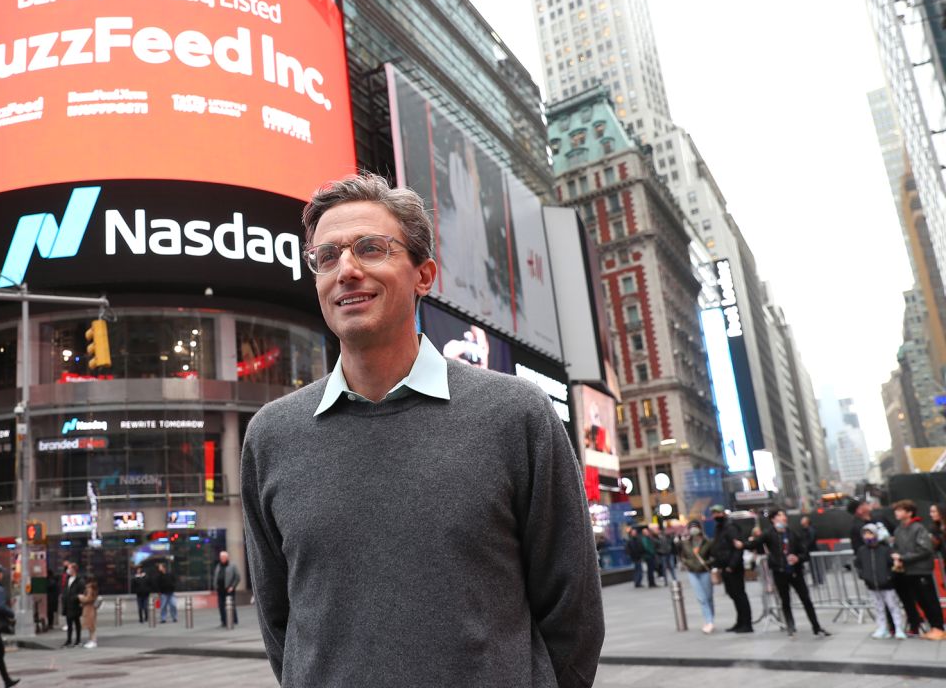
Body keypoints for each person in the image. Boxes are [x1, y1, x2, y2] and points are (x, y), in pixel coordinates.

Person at [241, 173, 604, 687]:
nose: (346, 270)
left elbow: (575, 611)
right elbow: (280, 623)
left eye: (371, 248)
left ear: (423, 275)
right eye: (327, 257)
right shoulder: (270, 436)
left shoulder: (516, 414)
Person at [749, 508, 830, 638]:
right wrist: (741, 544)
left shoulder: (793, 533)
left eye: (784, 515)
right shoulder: (768, 534)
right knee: (785, 600)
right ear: (773, 519)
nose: (783, 517)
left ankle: (816, 626)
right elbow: (754, 544)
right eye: (780, 515)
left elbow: (805, 553)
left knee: (806, 599)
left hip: (795, 572)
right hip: (779, 572)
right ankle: (790, 626)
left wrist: (798, 558)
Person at [890, 499, 946, 640]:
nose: (896, 513)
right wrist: (896, 556)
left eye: (900, 510)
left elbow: (925, 549)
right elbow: (896, 547)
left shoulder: (918, 528)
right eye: (896, 510)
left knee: (929, 599)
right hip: (908, 570)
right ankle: (931, 627)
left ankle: (938, 627)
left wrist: (903, 557)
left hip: (921, 569)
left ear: (909, 512)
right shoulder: (898, 529)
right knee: (920, 601)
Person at [856, 523, 907, 639]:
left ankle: (898, 628)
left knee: (893, 606)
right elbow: (858, 565)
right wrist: (864, 576)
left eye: (870, 533)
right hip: (872, 584)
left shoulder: (885, 550)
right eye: (865, 534)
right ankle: (882, 628)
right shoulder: (862, 551)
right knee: (878, 607)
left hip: (887, 584)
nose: (867, 536)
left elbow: (893, 565)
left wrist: (889, 576)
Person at [709, 505, 752, 633]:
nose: (715, 516)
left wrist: (731, 566)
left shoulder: (730, 527)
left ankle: (746, 623)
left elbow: (737, 548)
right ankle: (740, 621)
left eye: (717, 513)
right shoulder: (720, 527)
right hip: (725, 566)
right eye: (714, 513)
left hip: (733, 567)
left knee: (739, 595)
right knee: (734, 595)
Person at [677, 519, 716, 634]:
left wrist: (706, 563)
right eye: (691, 527)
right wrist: (688, 564)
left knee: (708, 597)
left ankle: (710, 619)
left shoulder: (707, 542)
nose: (693, 529)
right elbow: (682, 557)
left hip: (705, 572)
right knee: (701, 598)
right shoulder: (685, 543)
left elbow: (714, 557)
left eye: (695, 526)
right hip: (692, 572)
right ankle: (709, 621)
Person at [60, 561, 86, 647]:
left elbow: (81, 592)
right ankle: (69, 640)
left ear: (74, 569)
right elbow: (66, 590)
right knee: (69, 623)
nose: (68, 570)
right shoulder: (68, 579)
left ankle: (78, 640)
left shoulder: (80, 580)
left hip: (75, 605)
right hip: (68, 604)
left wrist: (75, 598)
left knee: (76, 622)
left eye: (69, 568)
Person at [213, 550, 241, 628]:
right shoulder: (218, 566)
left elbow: (237, 577)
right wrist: (215, 586)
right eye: (221, 557)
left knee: (231, 605)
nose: (222, 558)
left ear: (227, 557)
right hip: (220, 590)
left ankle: (234, 620)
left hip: (229, 589)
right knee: (221, 606)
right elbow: (216, 577)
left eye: (223, 557)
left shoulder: (232, 566)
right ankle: (224, 621)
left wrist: (232, 586)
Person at [799, 515, 824, 586]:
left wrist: (804, 546)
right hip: (809, 551)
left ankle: (819, 581)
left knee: (815, 566)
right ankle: (816, 581)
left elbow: (810, 540)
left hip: (813, 550)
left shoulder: (811, 529)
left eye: (803, 520)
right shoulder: (804, 530)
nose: (801, 521)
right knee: (813, 567)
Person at [77, 575, 99, 648]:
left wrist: (81, 598)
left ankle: (93, 641)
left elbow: (88, 598)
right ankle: (91, 640)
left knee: (91, 626)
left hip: (89, 608)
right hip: (90, 608)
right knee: (90, 625)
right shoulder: (93, 587)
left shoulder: (89, 588)